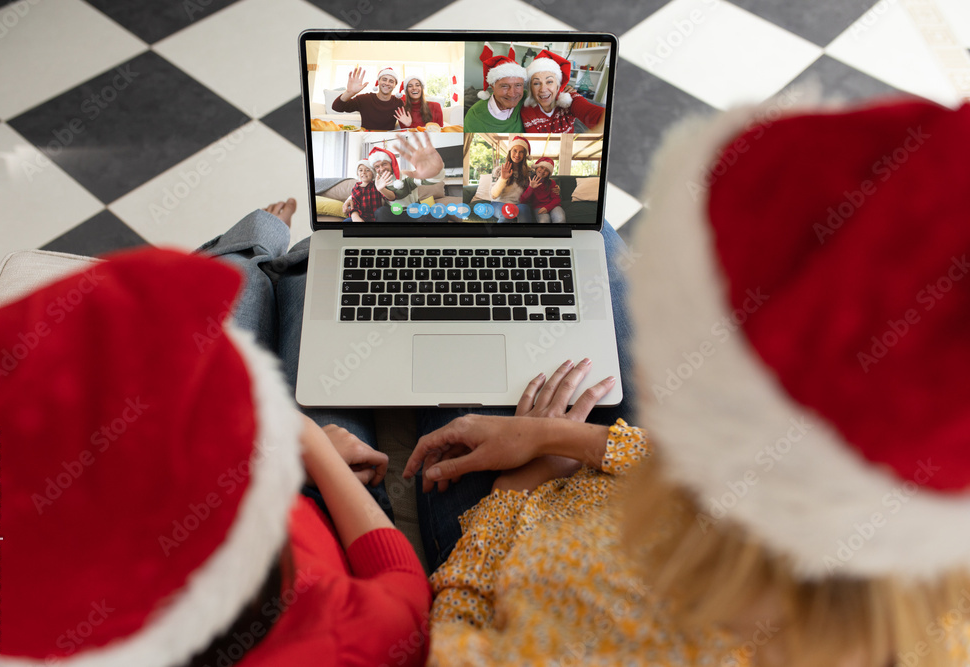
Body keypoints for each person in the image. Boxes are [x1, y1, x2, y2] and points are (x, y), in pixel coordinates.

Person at [404, 97, 970, 666]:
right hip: (592, 472)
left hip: (514, 528)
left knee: (487, 261)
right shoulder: (937, 598)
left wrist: (514, 491)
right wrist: (556, 438)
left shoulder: (566, 584)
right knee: (575, 227)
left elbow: (451, 643)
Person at [0, 240, 430, 666]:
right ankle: (273, 247)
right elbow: (404, 588)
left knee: (254, 276)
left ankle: (262, 243)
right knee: (305, 275)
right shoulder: (348, 639)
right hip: (319, 499)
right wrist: (305, 437)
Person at [343, 136, 446, 222]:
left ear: (391, 163)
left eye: (384, 164)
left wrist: (435, 172)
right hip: (393, 213)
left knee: (441, 215)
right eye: (377, 167)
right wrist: (349, 199)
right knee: (381, 211)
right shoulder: (376, 182)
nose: (381, 169)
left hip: (414, 212)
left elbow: (426, 180)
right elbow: (362, 191)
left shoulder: (406, 176)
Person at [521, 49, 604, 133]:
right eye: (536, 83)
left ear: (558, 85)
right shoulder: (527, 111)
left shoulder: (569, 98)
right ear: (531, 87)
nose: (543, 89)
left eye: (549, 82)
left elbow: (601, 115)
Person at [464, 44, 526, 133]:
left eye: (518, 85)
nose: (512, 94)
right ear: (492, 86)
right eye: (504, 86)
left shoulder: (526, 100)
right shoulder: (475, 116)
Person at [331, 65, 404, 131]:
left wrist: (407, 124)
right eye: (384, 79)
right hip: (366, 137)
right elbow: (337, 107)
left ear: (395, 85)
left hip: (387, 140)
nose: (387, 83)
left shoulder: (399, 103)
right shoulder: (364, 99)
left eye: (391, 81)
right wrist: (349, 92)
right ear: (378, 81)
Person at [488, 135, 534, 223]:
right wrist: (503, 179)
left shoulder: (529, 172)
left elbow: (542, 181)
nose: (517, 155)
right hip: (498, 203)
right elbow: (493, 195)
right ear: (510, 151)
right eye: (515, 151)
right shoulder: (498, 170)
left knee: (524, 209)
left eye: (521, 152)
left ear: (524, 155)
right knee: (507, 213)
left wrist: (555, 188)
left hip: (518, 204)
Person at [519, 156, 565, 223]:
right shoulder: (529, 181)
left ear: (549, 174)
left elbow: (557, 199)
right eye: (541, 167)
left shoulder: (551, 183)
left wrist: (547, 208)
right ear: (537, 167)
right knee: (544, 221)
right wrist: (531, 188)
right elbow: (523, 200)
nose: (543, 171)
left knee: (560, 219)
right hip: (538, 207)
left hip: (553, 206)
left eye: (546, 170)